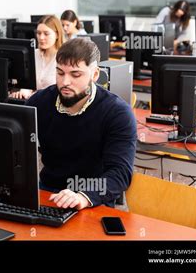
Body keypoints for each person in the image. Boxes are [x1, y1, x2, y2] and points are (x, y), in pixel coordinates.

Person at [26, 38, 136, 210]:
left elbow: (120, 174)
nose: (65, 82)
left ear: (95, 74)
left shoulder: (117, 112)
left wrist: (83, 197)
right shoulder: (40, 101)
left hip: (93, 200)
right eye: (60, 73)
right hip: (48, 193)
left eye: (75, 74)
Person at [10, 15, 65, 100]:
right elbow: (29, 84)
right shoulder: (33, 55)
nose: (41, 37)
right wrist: (25, 90)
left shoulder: (64, 59)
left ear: (57, 35)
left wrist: (34, 94)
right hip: (34, 103)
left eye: (46, 34)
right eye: (38, 33)